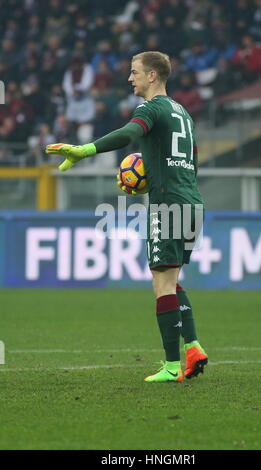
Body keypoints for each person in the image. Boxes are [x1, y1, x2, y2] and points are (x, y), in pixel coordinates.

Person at [46, 51, 208, 383]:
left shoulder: (151, 108)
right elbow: (192, 162)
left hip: (167, 204)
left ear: (153, 76)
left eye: (135, 72)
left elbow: (128, 134)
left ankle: (172, 366)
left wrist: (85, 150)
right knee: (173, 280)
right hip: (192, 201)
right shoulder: (183, 113)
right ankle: (193, 348)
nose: (130, 78)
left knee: (161, 283)